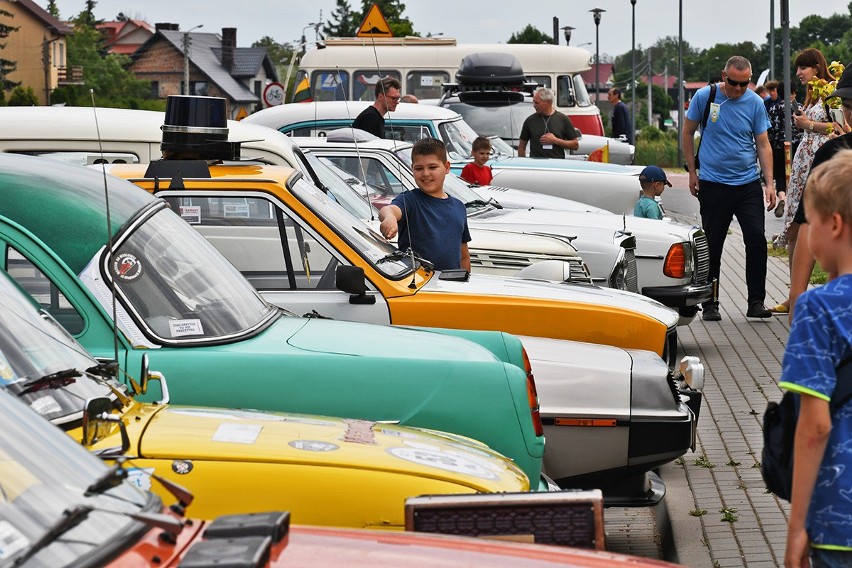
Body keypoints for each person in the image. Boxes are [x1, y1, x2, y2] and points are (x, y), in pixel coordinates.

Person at [780, 150, 852, 568]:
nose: (806, 235)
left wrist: (797, 528)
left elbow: (815, 427)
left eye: (809, 222)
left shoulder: (818, 309)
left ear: (835, 225)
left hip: (839, 523)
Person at [682, 55, 776, 321]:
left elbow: (763, 144)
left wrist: (769, 184)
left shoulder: (756, 103)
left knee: (757, 240)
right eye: (734, 83)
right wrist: (692, 171)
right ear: (724, 76)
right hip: (713, 183)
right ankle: (710, 303)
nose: (738, 89)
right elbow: (687, 132)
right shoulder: (705, 97)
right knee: (713, 244)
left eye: (744, 83)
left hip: (747, 183)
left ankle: (756, 301)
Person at [787, 63, 852, 322]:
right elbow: (808, 223)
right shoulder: (833, 153)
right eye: (847, 105)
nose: (851, 112)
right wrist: (797, 297)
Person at [773, 49, 835, 315]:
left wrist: (807, 124)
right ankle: (795, 293)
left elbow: (838, 127)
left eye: (803, 68)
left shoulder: (831, 91)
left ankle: (813, 294)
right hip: (802, 166)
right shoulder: (812, 94)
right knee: (793, 228)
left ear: (817, 68)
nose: (798, 73)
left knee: (815, 226)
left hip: (819, 165)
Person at [378, 137, 471, 272]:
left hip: (452, 287)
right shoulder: (410, 200)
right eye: (419, 168)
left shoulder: (459, 207)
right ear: (412, 169)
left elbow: (464, 256)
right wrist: (389, 218)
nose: (425, 173)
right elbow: (389, 210)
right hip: (419, 288)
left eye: (432, 167)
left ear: (446, 167)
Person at [518, 87, 579, 159]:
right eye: (534, 102)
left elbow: (575, 145)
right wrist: (525, 165)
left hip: (557, 166)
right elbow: (521, 147)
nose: (534, 105)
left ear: (548, 102)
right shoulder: (530, 121)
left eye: (537, 103)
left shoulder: (563, 119)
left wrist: (555, 141)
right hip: (536, 166)